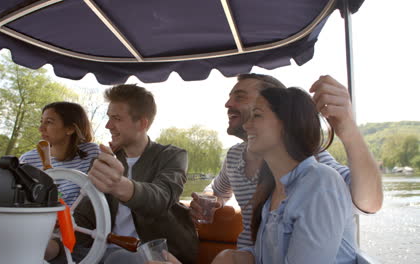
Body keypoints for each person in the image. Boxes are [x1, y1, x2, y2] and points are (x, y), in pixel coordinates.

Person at [190, 74, 383, 249]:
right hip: (248, 256)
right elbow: (217, 192)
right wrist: (210, 201)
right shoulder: (233, 157)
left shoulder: (303, 155)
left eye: (240, 96)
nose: (228, 104)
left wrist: (347, 127)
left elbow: (368, 203)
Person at [45, 84, 198, 264]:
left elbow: (161, 198)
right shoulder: (103, 161)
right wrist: (54, 245)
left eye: (116, 118)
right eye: (109, 118)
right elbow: (86, 216)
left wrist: (118, 185)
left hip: (157, 254)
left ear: (142, 123)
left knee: (118, 259)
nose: (108, 125)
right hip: (102, 248)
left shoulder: (172, 156)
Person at [212, 86, 358, 263]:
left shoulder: (321, 183)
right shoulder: (272, 190)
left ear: (288, 123)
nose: (246, 125)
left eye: (256, 115)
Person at [0, 101, 100, 264]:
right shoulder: (28, 159)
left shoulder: (91, 153)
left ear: (70, 129)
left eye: (49, 122)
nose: (41, 129)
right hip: (34, 225)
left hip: (73, 230)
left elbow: (96, 200)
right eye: (41, 122)